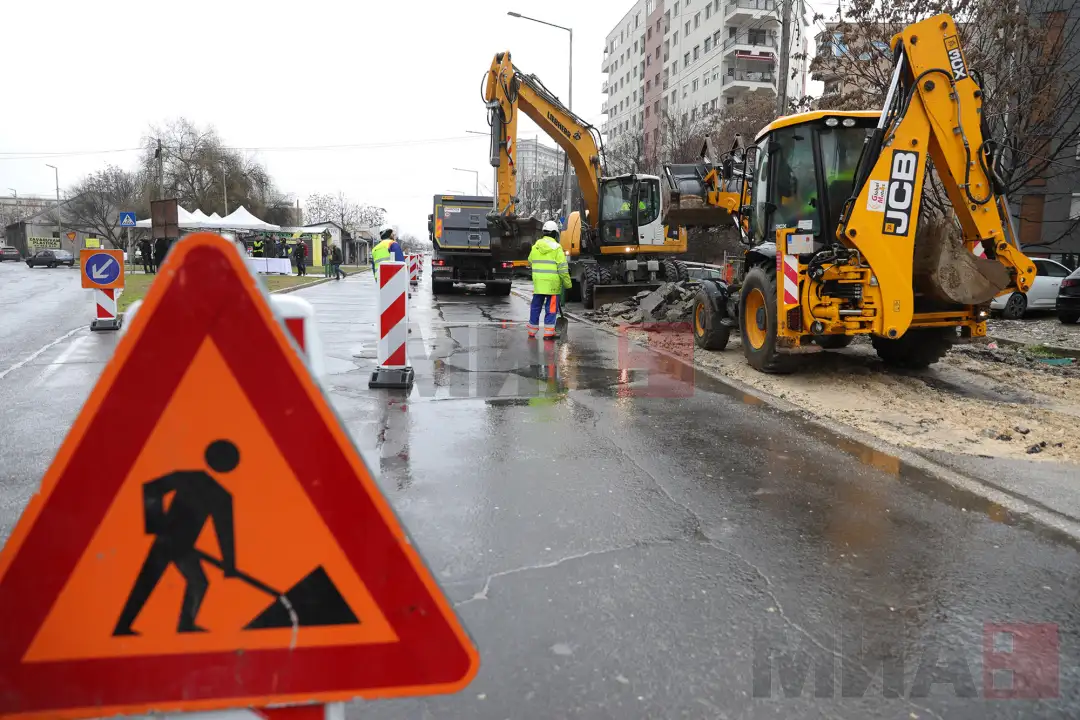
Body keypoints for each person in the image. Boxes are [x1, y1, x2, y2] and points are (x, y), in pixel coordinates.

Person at [113, 440, 239, 636]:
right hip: (168, 542)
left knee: (195, 582)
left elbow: (225, 532)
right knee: (149, 582)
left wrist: (229, 565)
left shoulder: (213, 491)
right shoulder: (209, 488)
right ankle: (124, 627)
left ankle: (184, 625)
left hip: (181, 546)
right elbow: (151, 489)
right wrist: (157, 526)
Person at [527, 220, 572, 340]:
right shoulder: (557, 248)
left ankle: (531, 331)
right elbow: (563, 269)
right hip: (553, 285)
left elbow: (530, 261)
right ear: (554, 234)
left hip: (538, 284)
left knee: (535, 307)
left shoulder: (535, 247)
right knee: (551, 309)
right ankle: (548, 333)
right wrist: (568, 284)